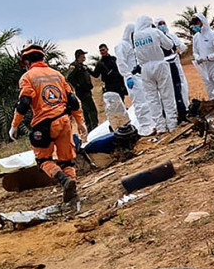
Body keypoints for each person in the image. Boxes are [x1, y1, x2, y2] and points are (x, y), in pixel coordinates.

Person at [9, 42, 87, 205]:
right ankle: (73, 195)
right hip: (64, 121)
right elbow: (72, 100)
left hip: (43, 124)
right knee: (67, 161)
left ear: (26, 61)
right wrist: (80, 122)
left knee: (43, 160)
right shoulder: (57, 75)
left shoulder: (27, 77)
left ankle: (63, 179)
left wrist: (14, 125)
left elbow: (24, 103)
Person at [131, 14, 178, 133]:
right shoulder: (155, 32)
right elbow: (169, 45)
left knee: (152, 99)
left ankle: (160, 127)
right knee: (167, 95)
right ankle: (172, 125)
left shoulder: (136, 36)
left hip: (145, 69)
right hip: (159, 64)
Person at [118, 23, 154, 136]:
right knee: (139, 102)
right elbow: (121, 62)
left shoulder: (132, 46)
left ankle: (150, 123)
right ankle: (145, 126)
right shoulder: (122, 45)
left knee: (146, 100)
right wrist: (128, 76)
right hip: (131, 78)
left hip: (138, 77)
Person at [156, 17, 190, 122]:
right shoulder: (156, 38)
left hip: (176, 65)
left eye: (163, 23)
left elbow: (182, 47)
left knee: (181, 87)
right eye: (160, 24)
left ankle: (185, 108)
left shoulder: (171, 36)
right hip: (165, 67)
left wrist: (177, 50)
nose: (162, 25)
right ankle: (173, 113)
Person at [190, 12, 214, 99]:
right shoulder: (196, 37)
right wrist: (198, 58)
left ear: (202, 22)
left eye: (197, 23)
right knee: (211, 94)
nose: (195, 26)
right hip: (205, 70)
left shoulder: (213, 35)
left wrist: (208, 58)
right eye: (194, 24)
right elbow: (195, 52)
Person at [92, 42, 130, 128]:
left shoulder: (113, 59)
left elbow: (120, 69)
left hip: (118, 83)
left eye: (103, 50)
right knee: (113, 104)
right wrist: (87, 69)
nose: (102, 52)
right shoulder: (100, 63)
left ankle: (125, 120)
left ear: (107, 49)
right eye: (101, 51)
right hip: (109, 85)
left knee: (121, 101)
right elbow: (96, 75)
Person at [66, 49, 98, 130]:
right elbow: (69, 77)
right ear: (78, 56)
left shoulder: (83, 66)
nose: (84, 56)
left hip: (87, 90)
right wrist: (78, 86)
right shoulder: (74, 66)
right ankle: (95, 128)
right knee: (92, 110)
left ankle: (90, 129)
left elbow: (94, 74)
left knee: (86, 111)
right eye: (82, 55)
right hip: (82, 92)